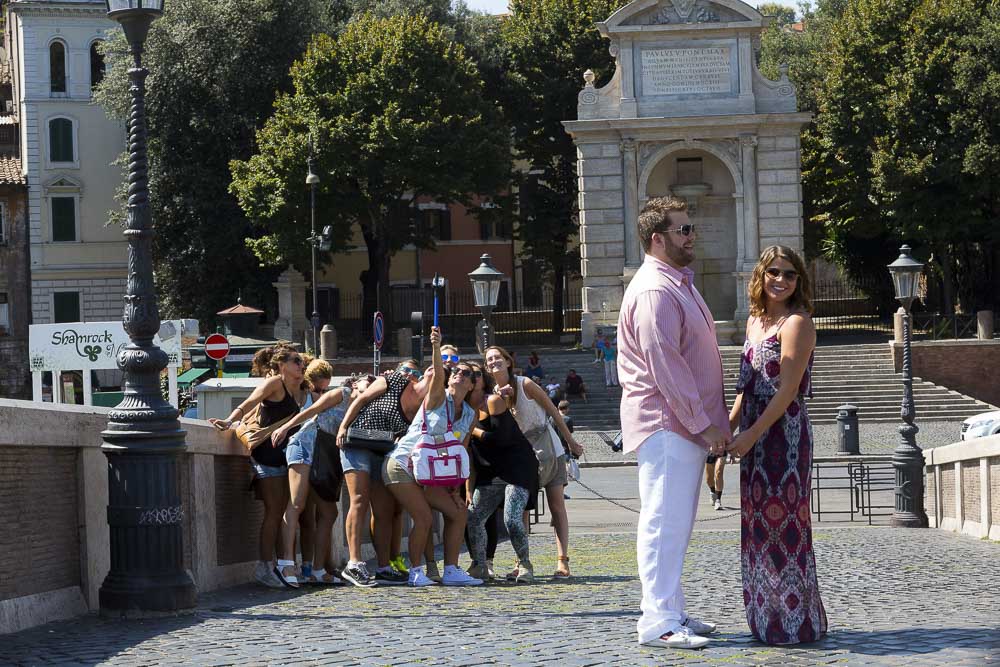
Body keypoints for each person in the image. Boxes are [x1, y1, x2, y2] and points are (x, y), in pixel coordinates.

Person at [617, 196, 730, 650]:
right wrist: (703, 423)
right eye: (683, 230)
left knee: (675, 522)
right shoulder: (655, 290)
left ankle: (671, 609)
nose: (692, 236)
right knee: (663, 521)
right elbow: (666, 364)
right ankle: (657, 621)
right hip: (669, 423)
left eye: (691, 228)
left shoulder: (676, 283)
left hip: (680, 423)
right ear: (656, 239)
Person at [726, 245, 828, 645]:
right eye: (774, 272)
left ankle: (797, 623)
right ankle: (765, 619)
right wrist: (725, 429)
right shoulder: (755, 320)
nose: (781, 280)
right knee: (755, 528)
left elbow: (786, 392)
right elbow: (745, 386)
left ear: (799, 280)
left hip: (783, 437)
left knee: (786, 529)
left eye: (789, 274)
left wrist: (750, 435)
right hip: (753, 432)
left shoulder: (797, 323)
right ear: (761, 276)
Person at [382, 326, 483, 587]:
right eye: (457, 372)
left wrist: (454, 491)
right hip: (403, 466)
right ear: (450, 380)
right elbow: (438, 372)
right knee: (424, 517)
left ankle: (451, 570)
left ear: (472, 384)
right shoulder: (439, 397)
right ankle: (416, 572)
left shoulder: (471, 416)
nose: (460, 374)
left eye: (467, 374)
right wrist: (436, 347)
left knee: (459, 512)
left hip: (428, 473)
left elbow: (461, 455)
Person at [210, 343, 308, 589]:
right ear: (281, 365)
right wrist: (229, 420)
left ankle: (281, 565)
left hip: (286, 456)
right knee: (274, 512)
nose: (301, 365)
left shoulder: (299, 389)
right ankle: (264, 567)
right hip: (266, 455)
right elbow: (250, 403)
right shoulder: (275, 383)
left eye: (301, 361)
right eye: (296, 361)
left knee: (286, 512)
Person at [485, 345, 583, 579]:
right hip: (521, 455)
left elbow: (553, 411)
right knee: (521, 509)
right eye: (489, 359)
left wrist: (571, 442)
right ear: (487, 368)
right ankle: (522, 561)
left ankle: (562, 561)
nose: (493, 362)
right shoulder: (494, 393)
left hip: (549, 448)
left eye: (498, 357)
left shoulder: (525, 383)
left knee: (556, 506)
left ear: (508, 362)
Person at [335, 360, 424, 587]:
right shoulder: (391, 381)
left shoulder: (421, 406)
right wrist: (344, 426)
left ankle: (384, 567)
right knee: (359, 499)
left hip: (382, 449)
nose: (408, 374)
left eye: (414, 372)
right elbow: (361, 399)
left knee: (383, 508)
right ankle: (354, 563)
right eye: (404, 370)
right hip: (357, 441)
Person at [270, 360, 353, 586]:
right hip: (304, 445)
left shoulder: (362, 410)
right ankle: (285, 565)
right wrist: (285, 428)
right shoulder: (344, 393)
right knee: (296, 504)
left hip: (321, 456)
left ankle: (317, 570)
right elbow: (312, 411)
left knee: (329, 513)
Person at [467, 363, 539, 583]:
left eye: (477, 373)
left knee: (511, 518)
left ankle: (525, 564)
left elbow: (501, 439)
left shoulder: (492, 401)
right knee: (473, 517)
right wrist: (469, 488)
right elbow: (468, 454)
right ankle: (479, 565)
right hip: (490, 472)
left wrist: (472, 430)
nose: (472, 377)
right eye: (467, 374)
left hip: (517, 468)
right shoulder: (461, 409)